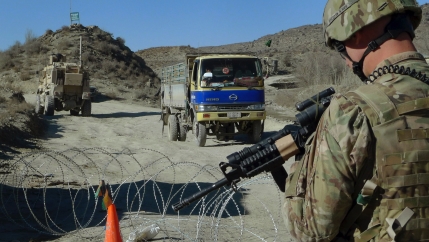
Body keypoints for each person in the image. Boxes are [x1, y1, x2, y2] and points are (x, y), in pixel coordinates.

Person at [283, 0, 429, 241]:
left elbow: (313, 232)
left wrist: (301, 166)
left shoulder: (352, 110)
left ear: (356, 32)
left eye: (341, 48)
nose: (347, 62)